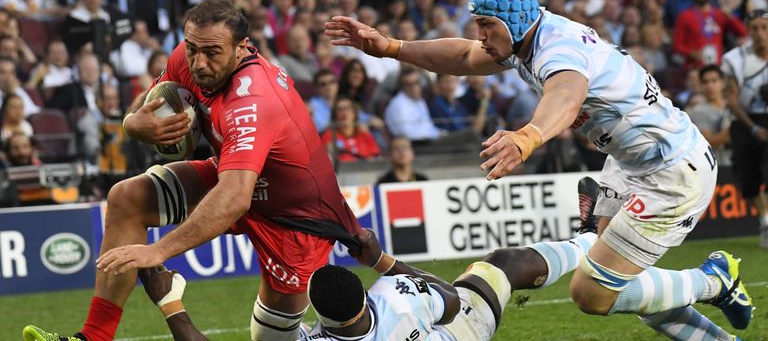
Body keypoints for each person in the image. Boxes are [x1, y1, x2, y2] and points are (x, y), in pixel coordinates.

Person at [325, 0, 753, 340]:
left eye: (486, 25)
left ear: (513, 19)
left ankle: (712, 280)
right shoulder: (526, 41)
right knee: (618, 278)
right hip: (631, 163)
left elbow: (566, 97)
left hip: (671, 172)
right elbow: (462, 56)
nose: (480, 36)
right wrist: (393, 47)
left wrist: (526, 137)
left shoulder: (558, 48)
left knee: (592, 292)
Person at [24, 0, 364, 341]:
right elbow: (149, 104)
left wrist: (157, 251)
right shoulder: (187, 57)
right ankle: (94, 337)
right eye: (192, 49)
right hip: (232, 174)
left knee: (270, 337)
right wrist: (132, 124)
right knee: (127, 198)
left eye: (212, 53)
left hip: (290, 217)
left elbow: (233, 199)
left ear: (241, 48)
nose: (199, 63)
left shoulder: (253, 100)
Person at [103, 177, 745, 341]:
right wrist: (383, 261)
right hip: (455, 327)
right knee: (511, 265)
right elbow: (441, 292)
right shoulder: (390, 301)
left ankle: (595, 243)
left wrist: (169, 299)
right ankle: (591, 240)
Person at [722, 9, 768, 248]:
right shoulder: (735, 59)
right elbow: (731, 99)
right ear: (748, 31)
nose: (760, 34)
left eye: (765, 27)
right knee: (748, 179)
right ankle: (765, 219)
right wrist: (753, 129)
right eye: (755, 29)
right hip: (745, 121)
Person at [688, 65, 731, 168]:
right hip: (718, 166)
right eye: (705, 82)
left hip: (741, 163)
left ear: (723, 83)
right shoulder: (698, 111)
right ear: (700, 86)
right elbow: (710, 143)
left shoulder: (733, 107)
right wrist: (736, 124)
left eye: (714, 80)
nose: (710, 86)